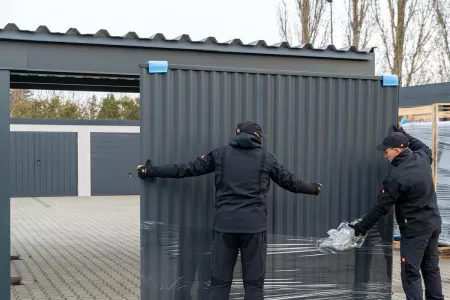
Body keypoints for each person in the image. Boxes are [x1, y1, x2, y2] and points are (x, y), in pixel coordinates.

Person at [137, 120, 323, 300]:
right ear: (257, 136)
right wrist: (314, 188)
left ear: (237, 133)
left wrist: (150, 170)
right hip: (254, 229)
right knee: (253, 286)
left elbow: (185, 169)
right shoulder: (267, 159)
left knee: (219, 283)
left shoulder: (220, 154)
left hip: (224, 228)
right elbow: (290, 182)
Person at [349, 125, 444, 300]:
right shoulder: (422, 157)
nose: (385, 156)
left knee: (410, 273)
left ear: (398, 149)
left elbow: (381, 208)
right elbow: (423, 147)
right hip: (433, 225)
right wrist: (404, 134)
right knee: (431, 268)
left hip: (416, 231)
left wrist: (360, 228)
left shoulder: (397, 175)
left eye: (387, 152)